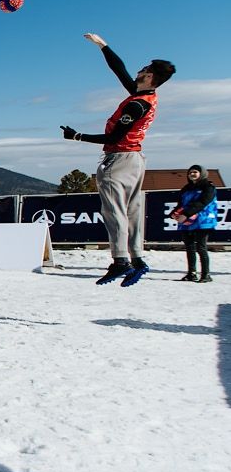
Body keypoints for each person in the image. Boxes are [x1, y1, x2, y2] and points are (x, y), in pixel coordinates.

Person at [60, 33, 175, 286]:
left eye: (143, 69)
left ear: (150, 77)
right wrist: (103, 46)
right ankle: (137, 259)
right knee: (132, 212)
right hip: (135, 159)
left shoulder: (137, 105)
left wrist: (76, 136)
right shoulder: (145, 95)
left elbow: (112, 136)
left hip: (120, 159)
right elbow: (119, 70)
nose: (138, 71)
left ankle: (120, 261)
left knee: (114, 212)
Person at [172, 164, 217, 283]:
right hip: (187, 221)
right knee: (189, 247)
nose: (192, 174)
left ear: (202, 173)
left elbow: (203, 202)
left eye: (195, 172)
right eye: (190, 172)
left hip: (203, 221)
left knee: (201, 247)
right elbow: (180, 204)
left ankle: (206, 274)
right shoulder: (186, 188)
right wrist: (174, 213)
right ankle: (191, 273)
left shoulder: (208, 187)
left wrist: (186, 214)